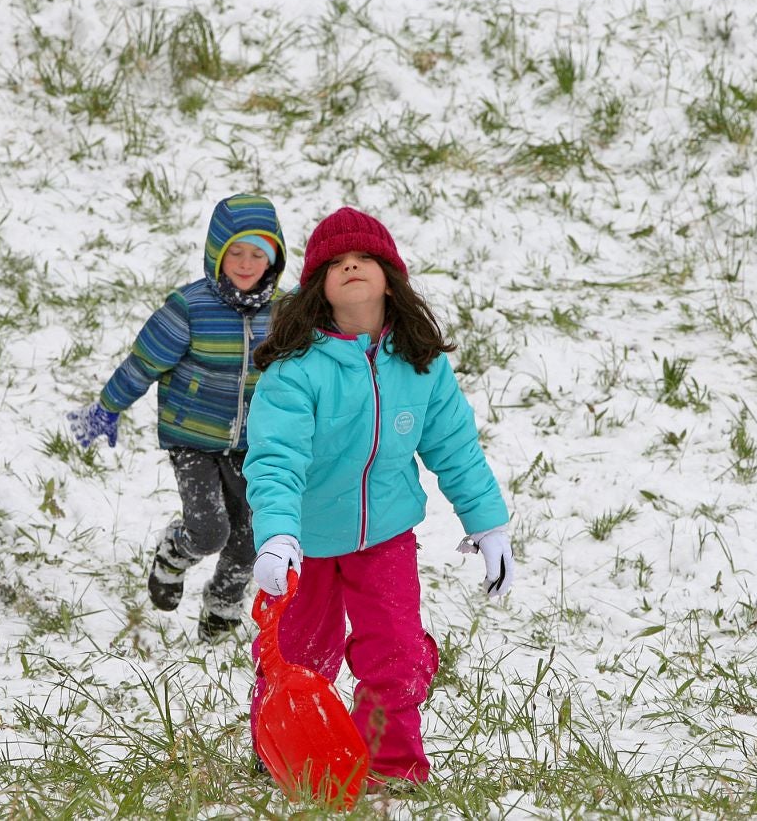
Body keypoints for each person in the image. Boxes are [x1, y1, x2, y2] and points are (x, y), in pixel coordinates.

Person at [244, 206, 515, 786]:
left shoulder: (420, 364)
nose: (351, 267)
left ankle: (392, 767)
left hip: (386, 535)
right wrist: (278, 536)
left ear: (390, 277)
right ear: (318, 288)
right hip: (305, 543)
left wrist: (488, 524)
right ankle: (286, 756)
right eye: (336, 262)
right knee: (297, 654)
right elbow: (276, 460)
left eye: (364, 257)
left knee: (396, 651)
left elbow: (455, 448)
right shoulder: (295, 370)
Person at [69, 194, 285, 642]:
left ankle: (223, 606)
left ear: (274, 258)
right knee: (209, 530)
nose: (246, 264)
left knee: (251, 535)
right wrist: (108, 407)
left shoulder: (285, 312)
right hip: (192, 438)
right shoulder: (190, 308)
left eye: (258, 254)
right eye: (236, 253)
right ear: (217, 253)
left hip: (254, 441)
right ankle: (174, 552)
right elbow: (143, 363)